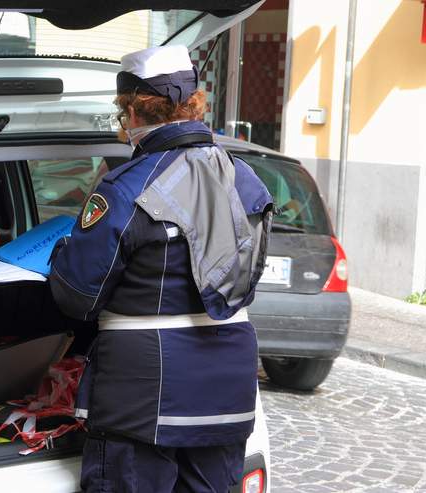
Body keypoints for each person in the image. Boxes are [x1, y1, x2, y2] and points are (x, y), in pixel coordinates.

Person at [48, 45, 273, 493]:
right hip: (228, 384)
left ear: (133, 110)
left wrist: (60, 251)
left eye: (122, 113)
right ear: (192, 104)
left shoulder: (125, 187)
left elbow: (78, 296)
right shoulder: (247, 179)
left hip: (145, 391)